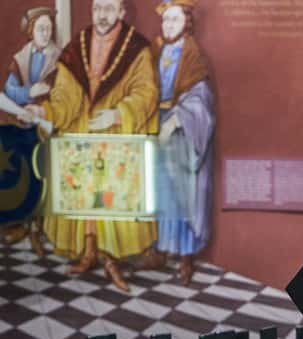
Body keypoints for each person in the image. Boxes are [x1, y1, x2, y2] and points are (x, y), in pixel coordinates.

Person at [25, 0, 159, 292]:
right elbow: (65, 94)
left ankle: (111, 260)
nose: (102, 15)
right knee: (83, 194)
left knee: (112, 198)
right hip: (82, 132)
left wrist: (118, 114)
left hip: (115, 134)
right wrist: (44, 111)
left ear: (121, 12)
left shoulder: (137, 48)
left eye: (108, 9)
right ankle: (88, 252)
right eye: (97, 8)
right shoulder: (79, 44)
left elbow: (147, 92)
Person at [139, 0, 216, 286]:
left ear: (186, 23)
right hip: (153, 126)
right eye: (165, 20)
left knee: (182, 195)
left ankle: (185, 258)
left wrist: (174, 122)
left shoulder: (192, 54)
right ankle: (159, 251)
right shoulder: (155, 50)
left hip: (181, 134)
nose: (168, 25)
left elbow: (201, 98)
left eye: (175, 19)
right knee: (156, 192)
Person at [1, 6, 60, 256]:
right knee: (17, 166)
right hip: (23, 123)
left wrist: (41, 106)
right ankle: (20, 223)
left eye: (49, 28)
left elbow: (61, 93)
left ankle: (38, 228)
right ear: (31, 32)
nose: (45, 33)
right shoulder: (21, 57)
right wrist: (29, 93)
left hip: (47, 124)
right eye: (41, 28)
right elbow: (9, 90)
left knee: (44, 174)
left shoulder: (60, 58)